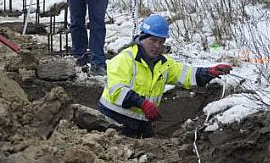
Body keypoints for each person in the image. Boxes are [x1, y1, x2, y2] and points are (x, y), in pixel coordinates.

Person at [98, 14, 233, 138]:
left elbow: (186, 74)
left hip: (141, 122)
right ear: (142, 38)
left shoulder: (164, 63)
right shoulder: (125, 59)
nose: (157, 46)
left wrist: (209, 72)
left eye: (161, 42)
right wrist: (142, 103)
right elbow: (117, 91)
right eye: (153, 40)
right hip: (112, 120)